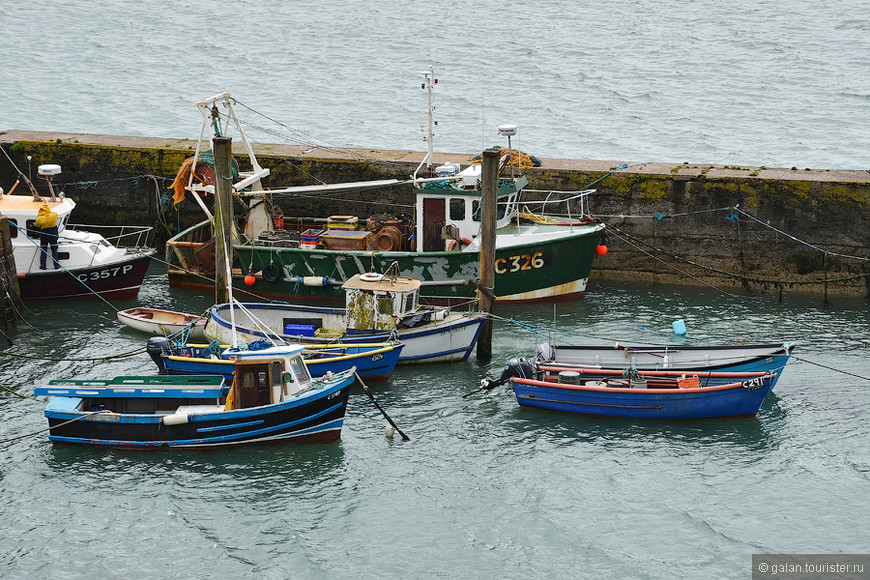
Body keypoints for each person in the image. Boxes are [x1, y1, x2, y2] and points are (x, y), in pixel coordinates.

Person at [34, 204, 60, 270]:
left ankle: (43, 266)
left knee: (43, 250)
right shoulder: (53, 215)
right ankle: (56, 265)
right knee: (54, 250)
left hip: (44, 235)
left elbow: (37, 225)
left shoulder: (40, 218)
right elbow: (56, 214)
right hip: (53, 234)